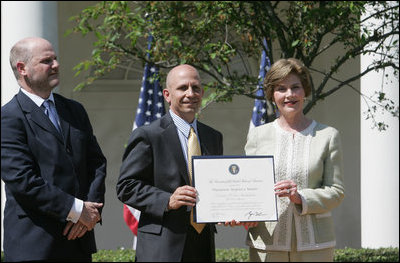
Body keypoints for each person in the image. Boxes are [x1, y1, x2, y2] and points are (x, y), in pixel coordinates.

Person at [1, 37, 107, 262]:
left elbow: (96, 163)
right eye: (47, 61)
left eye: (55, 59)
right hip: (35, 246)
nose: (56, 65)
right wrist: (77, 210)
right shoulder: (9, 118)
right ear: (23, 69)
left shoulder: (74, 110)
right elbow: (23, 181)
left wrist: (90, 213)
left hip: (78, 243)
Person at [116, 64, 223, 262]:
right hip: (162, 246)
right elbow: (126, 187)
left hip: (202, 244)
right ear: (167, 94)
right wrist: (167, 200)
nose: (190, 93)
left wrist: (229, 208)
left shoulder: (213, 137)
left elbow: (216, 186)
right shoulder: (148, 135)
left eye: (196, 88)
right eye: (183, 88)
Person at [244, 58, 345, 262]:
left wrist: (300, 197)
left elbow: (336, 191)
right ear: (272, 95)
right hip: (266, 243)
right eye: (281, 88)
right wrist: (243, 212)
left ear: (305, 91)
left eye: (295, 87)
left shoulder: (328, 135)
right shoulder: (257, 136)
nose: (289, 95)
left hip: (315, 246)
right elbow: (247, 188)